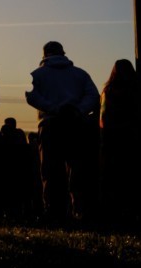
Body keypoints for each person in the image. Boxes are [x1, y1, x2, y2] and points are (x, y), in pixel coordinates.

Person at [25, 41, 99, 223]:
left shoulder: (38, 74)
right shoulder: (80, 74)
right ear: (63, 53)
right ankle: (79, 210)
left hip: (49, 125)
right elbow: (93, 96)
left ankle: (53, 212)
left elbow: (32, 96)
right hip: (76, 125)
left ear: (44, 55)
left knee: (50, 172)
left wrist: (54, 108)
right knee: (77, 170)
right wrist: (78, 110)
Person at [98, 59, 141, 222]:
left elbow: (103, 118)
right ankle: (131, 210)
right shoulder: (137, 90)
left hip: (112, 139)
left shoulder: (108, 91)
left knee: (112, 176)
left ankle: (111, 211)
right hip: (131, 137)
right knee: (130, 176)